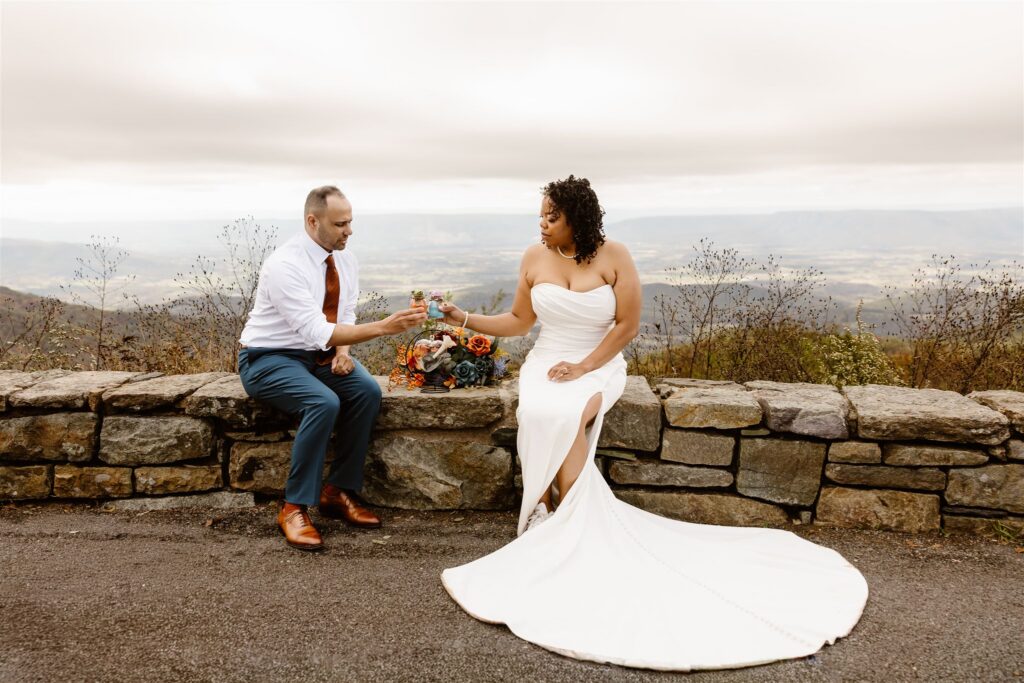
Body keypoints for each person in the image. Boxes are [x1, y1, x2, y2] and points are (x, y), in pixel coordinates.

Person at [438, 175, 868, 671]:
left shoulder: (615, 255)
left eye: (551, 216)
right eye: (540, 214)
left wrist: (584, 367)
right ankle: (555, 512)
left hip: (597, 363)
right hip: (547, 361)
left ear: (575, 218)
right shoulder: (533, 259)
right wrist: (461, 317)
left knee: (569, 410)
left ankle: (564, 518)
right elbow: (518, 322)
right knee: (541, 408)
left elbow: (627, 326)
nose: (542, 223)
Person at [238, 185, 426, 552]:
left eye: (350, 222)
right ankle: (294, 507)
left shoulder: (345, 260)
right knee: (322, 402)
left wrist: (344, 349)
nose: (349, 231)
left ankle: (337, 492)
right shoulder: (284, 265)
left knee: (366, 391)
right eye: (340, 224)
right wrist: (386, 327)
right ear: (313, 221)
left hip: (318, 356)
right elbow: (314, 329)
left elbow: (344, 314)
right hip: (268, 358)